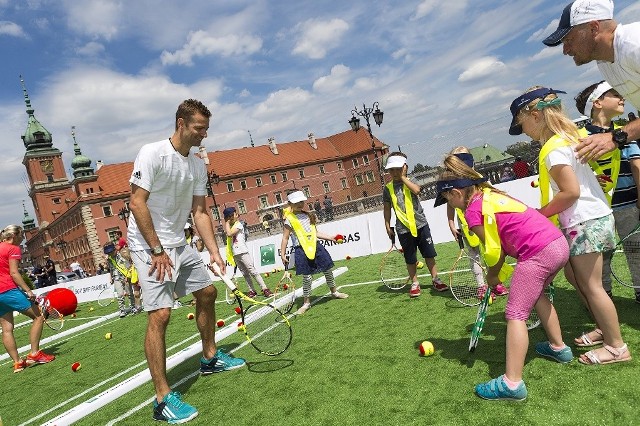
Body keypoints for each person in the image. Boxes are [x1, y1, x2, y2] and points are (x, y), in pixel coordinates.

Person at [127, 99, 245, 424]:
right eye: (199, 129)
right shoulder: (152, 153)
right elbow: (137, 203)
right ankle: (163, 400)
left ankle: (209, 358)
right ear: (181, 123)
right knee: (160, 315)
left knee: (207, 294)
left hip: (178, 243)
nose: (204, 135)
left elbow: (200, 212)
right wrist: (155, 249)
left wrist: (216, 252)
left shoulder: (196, 164)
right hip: (147, 245)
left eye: (206, 129)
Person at [509, 85, 630, 365]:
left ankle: (616, 347)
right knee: (577, 280)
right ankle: (604, 327)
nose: (523, 130)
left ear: (535, 117)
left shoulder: (552, 150)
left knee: (592, 287)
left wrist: (541, 213)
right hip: (591, 218)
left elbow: (570, 192)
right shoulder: (569, 138)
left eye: (522, 124)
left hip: (583, 221)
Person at [435, 156, 572, 401]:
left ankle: (512, 383)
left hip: (537, 252)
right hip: (558, 245)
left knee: (515, 314)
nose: (449, 204)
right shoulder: (487, 194)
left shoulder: (472, 210)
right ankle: (558, 348)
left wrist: (493, 275)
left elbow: (493, 249)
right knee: (537, 295)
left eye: (446, 199)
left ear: (455, 193)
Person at [543, 0, 640, 163]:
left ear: (594, 28)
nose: (565, 50)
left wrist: (616, 137)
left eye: (568, 40)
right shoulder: (605, 63)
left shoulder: (634, 44)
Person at [575, 81, 640, 301]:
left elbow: (637, 165)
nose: (622, 98)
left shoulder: (622, 133)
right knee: (632, 252)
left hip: (618, 207)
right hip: (604, 209)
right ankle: (606, 298)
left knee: (603, 258)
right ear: (598, 103)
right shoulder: (582, 136)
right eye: (615, 94)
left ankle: (603, 298)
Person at [439, 147, 508, 297]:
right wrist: (451, 224)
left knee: (490, 252)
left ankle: (496, 282)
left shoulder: (478, 179)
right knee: (474, 256)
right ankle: (481, 286)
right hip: (466, 226)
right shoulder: (451, 183)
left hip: (484, 222)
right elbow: (449, 205)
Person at [383, 152, 448, 297]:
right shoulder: (387, 188)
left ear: (404, 167)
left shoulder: (411, 180)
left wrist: (404, 177)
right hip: (402, 229)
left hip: (421, 224)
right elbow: (387, 208)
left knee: (429, 254)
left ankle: (436, 279)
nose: (394, 173)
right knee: (410, 258)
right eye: (391, 170)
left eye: (397, 169)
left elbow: (417, 190)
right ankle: (415, 283)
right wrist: (387, 225)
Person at [280, 190, 348, 314]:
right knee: (307, 277)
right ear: (290, 203)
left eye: (301, 201)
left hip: (316, 247)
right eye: (296, 202)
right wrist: (283, 253)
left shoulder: (309, 215)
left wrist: (331, 237)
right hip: (301, 250)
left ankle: (334, 292)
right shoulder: (288, 219)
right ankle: (306, 302)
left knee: (328, 270)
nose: (300, 204)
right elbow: (285, 238)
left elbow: (316, 233)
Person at [0, 225, 55, 373]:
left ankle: (17, 363)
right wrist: (28, 291)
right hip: (8, 289)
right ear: (15, 235)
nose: (23, 239)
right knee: (38, 317)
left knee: (7, 329)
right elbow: (14, 273)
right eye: (21, 236)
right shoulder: (13, 249)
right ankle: (35, 353)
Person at [223, 207, 272, 298]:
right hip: (235, 253)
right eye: (234, 214)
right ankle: (252, 290)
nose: (237, 215)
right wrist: (227, 223)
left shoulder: (239, 224)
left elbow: (229, 234)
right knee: (245, 273)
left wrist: (226, 223)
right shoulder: (230, 226)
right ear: (230, 216)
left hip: (242, 251)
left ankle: (265, 288)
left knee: (252, 271)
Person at [104, 242, 141, 317]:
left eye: (111, 252)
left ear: (114, 250)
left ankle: (133, 307)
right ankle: (122, 310)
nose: (110, 254)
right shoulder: (109, 259)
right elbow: (111, 269)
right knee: (120, 294)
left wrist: (127, 276)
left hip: (126, 276)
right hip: (116, 277)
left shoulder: (122, 255)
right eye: (108, 253)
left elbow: (129, 266)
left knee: (130, 293)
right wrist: (111, 277)